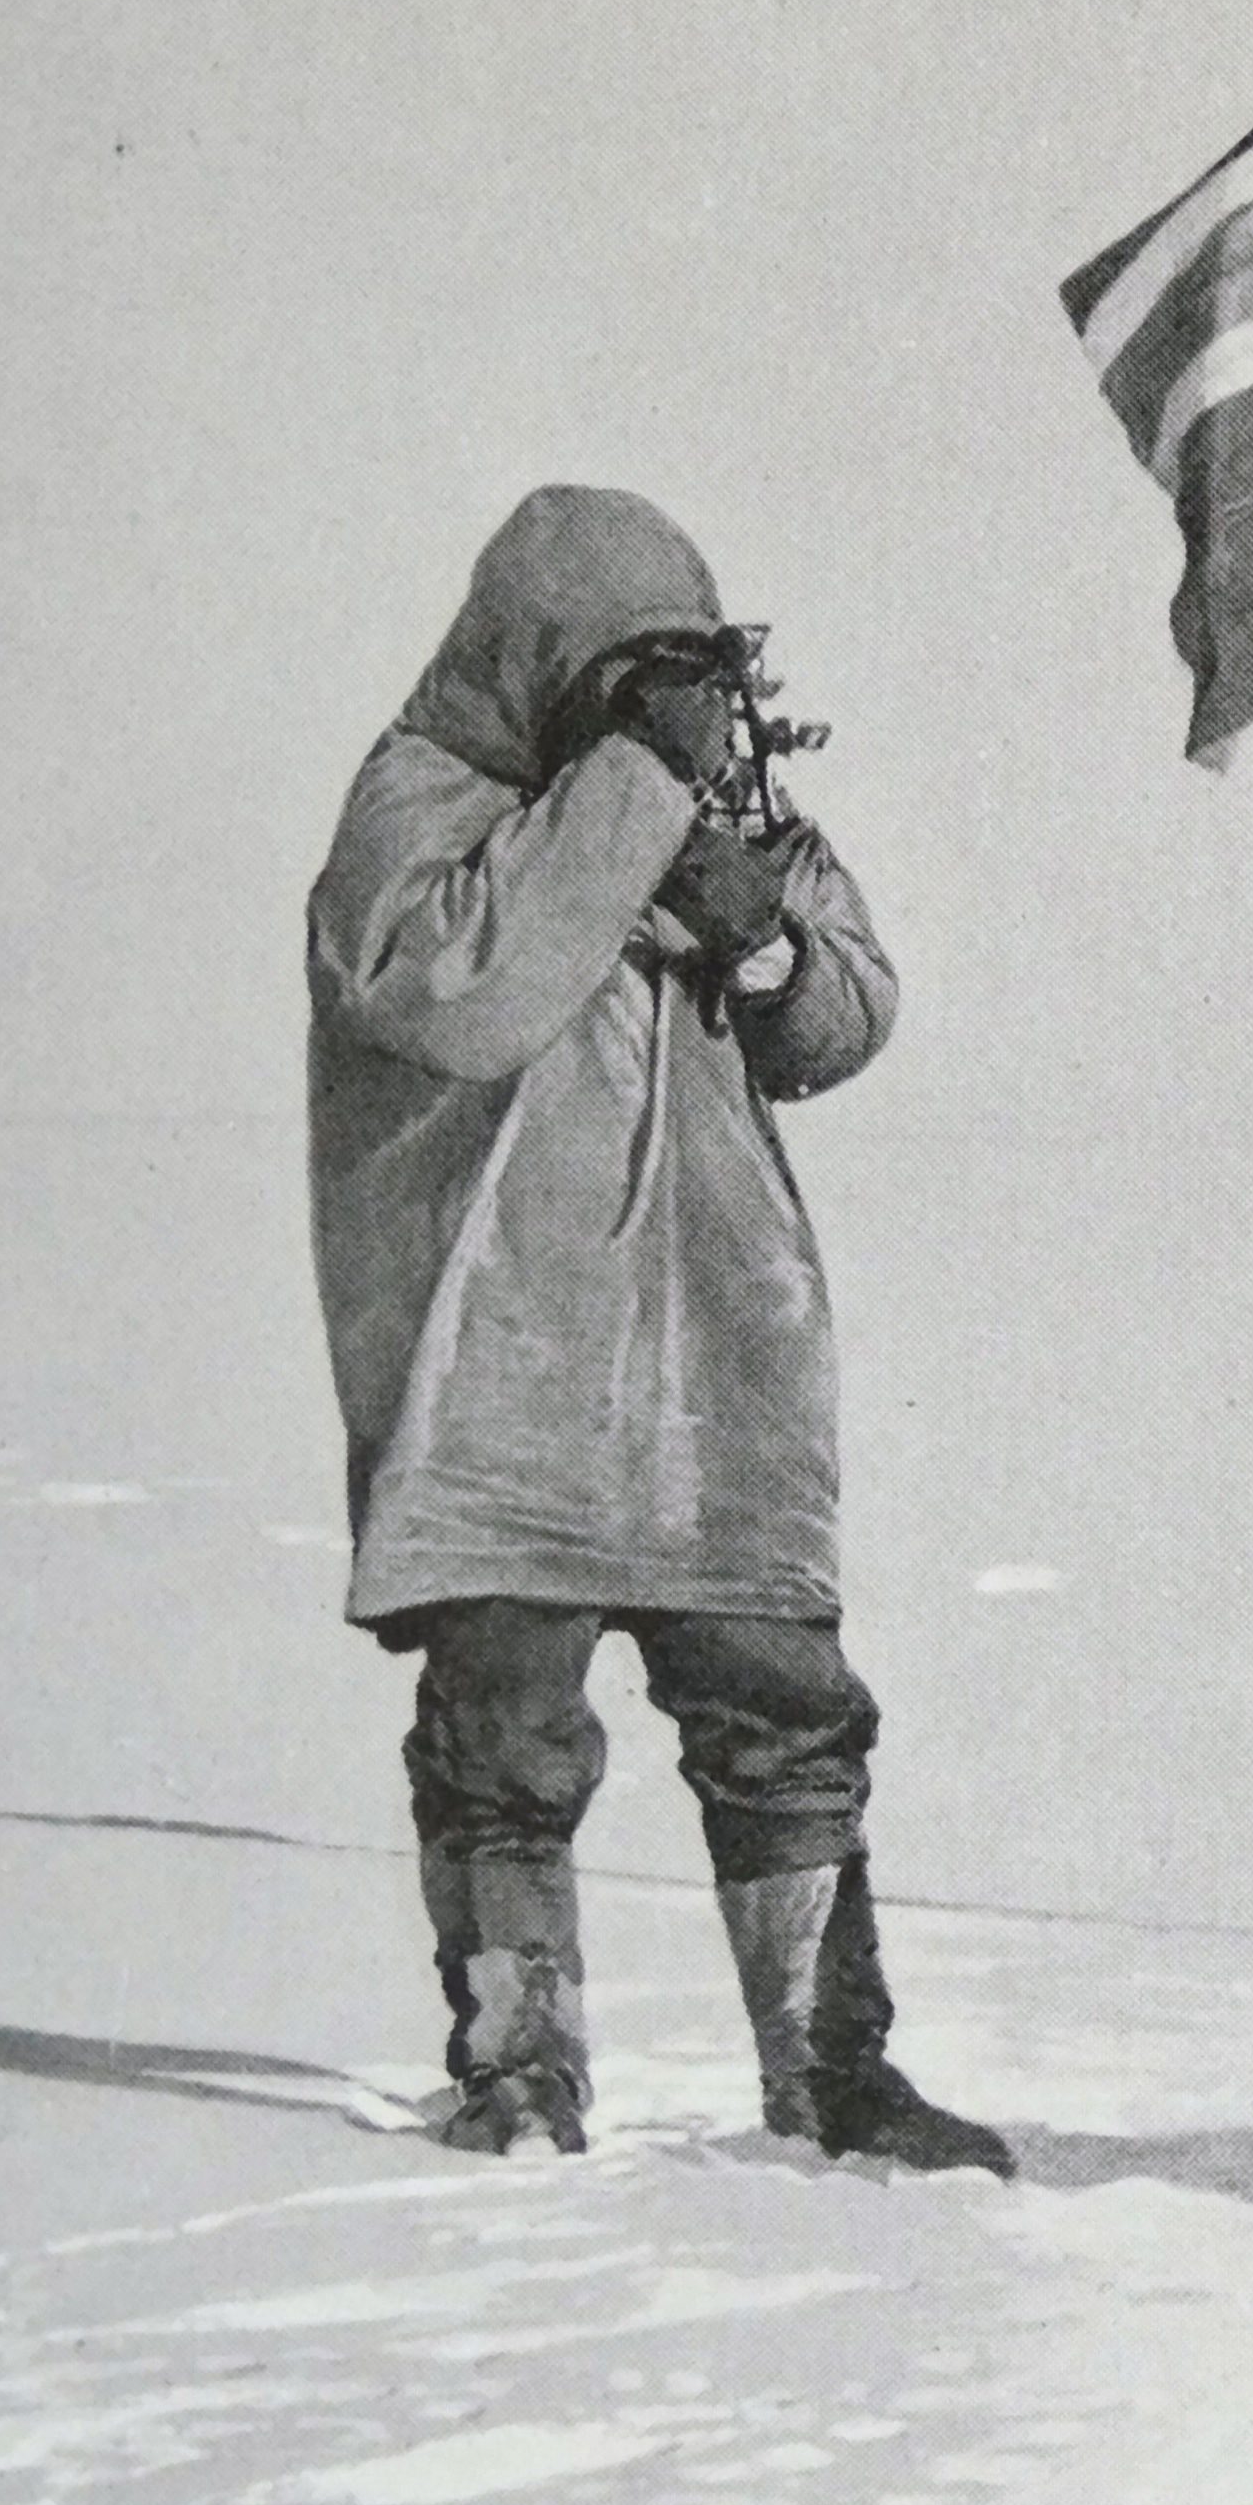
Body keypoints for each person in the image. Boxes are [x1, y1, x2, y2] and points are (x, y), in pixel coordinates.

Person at [303, 483, 1007, 2173]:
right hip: (511, 1363)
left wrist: (758, 930)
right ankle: (518, 2069)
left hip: (714, 1355)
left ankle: (834, 2068)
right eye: (642, 675)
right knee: (508, 1728)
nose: (685, 708)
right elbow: (456, 990)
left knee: (786, 1707)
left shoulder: (706, 799)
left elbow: (846, 1009)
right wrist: (634, 800)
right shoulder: (422, 805)